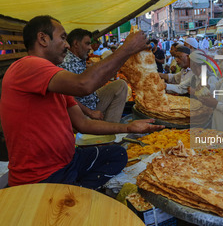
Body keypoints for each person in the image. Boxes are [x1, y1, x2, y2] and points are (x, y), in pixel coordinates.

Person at [0, 15, 164, 188]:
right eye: (63, 38)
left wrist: (128, 128)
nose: (67, 45)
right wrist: (127, 49)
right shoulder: (27, 66)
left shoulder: (54, 79)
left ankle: (76, 187)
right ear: (42, 39)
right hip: (44, 175)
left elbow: (83, 124)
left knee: (118, 155)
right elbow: (84, 85)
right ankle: (74, 190)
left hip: (69, 161)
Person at [59, 28, 128, 123]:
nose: (90, 48)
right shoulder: (66, 63)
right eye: (87, 43)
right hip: (82, 110)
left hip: (92, 99)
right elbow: (66, 97)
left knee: (120, 85)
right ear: (76, 44)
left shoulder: (78, 59)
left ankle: (109, 129)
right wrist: (90, 112)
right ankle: (107, 131)